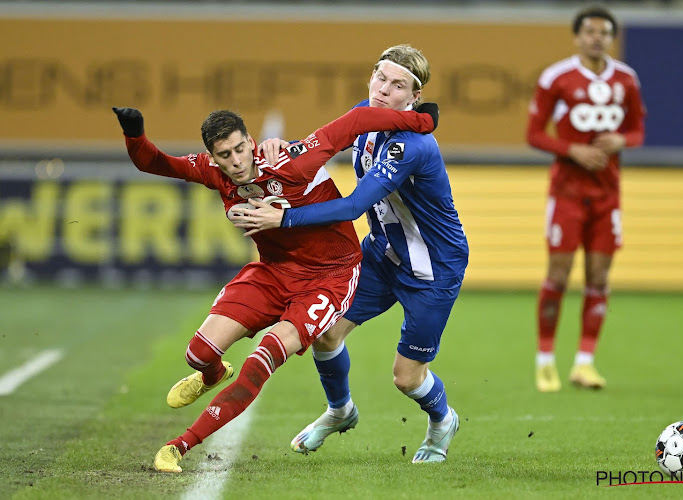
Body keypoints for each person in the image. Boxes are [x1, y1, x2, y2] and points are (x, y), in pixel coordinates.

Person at [112, 101, 438, 472]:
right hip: (274, 272)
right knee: (198, 353)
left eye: (239, 149)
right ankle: (212, 374)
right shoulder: (212, 172)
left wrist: (421, 120)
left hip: (328, 277)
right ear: (212, 157)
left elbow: (357, 120)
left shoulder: (292, 161)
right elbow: (154, 162)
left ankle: (179, 445)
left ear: (252, 142)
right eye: (224, 155)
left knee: (263, 357)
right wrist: (134, 132)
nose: (235, 161)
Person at [237, 44, 469, 463]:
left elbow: (352, 207)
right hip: (381, 254)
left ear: (414, 99)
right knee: (325, 331)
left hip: (432, 268)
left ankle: (442, 420)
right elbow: (314, 151)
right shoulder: (365, 115)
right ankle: (340, 411)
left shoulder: (411, 146)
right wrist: (276, 149)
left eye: (398, 85)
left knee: (406, 378)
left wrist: (284, 218)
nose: (383, 90)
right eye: (380, 77)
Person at [525, 5, 646, 392]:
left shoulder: (626, 79)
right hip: (567, 194)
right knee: (558, 276)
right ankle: (545, 361)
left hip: (608, 195)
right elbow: (534, 134)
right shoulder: (556, 77)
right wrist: (572, 151)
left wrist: (622, 140)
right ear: (577, 36)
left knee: (598, 277)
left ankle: (584, 363)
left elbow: (639, 130)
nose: (597, 37)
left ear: (612, 37)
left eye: (604, 32)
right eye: (590, 31)